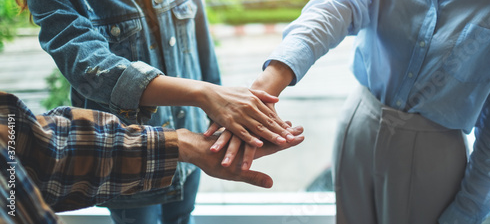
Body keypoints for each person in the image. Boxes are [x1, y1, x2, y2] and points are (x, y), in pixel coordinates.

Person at [209, 0, 490, 223]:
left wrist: (464, 215)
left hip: (435, 157)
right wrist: (264, 88)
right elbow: (336, 5)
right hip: (359, 126)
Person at [13, 0, 296, 223]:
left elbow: (201, 46)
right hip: (125, 158)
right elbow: (94, 70)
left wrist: (226, 121)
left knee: (184, 217)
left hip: (197, 144)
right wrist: (206, 95)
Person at [0, 91, 304, 224]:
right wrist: (205, 94)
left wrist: (192, 142)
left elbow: (41, 152)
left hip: (178, 158)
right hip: (130, 187)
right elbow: (94, 67)